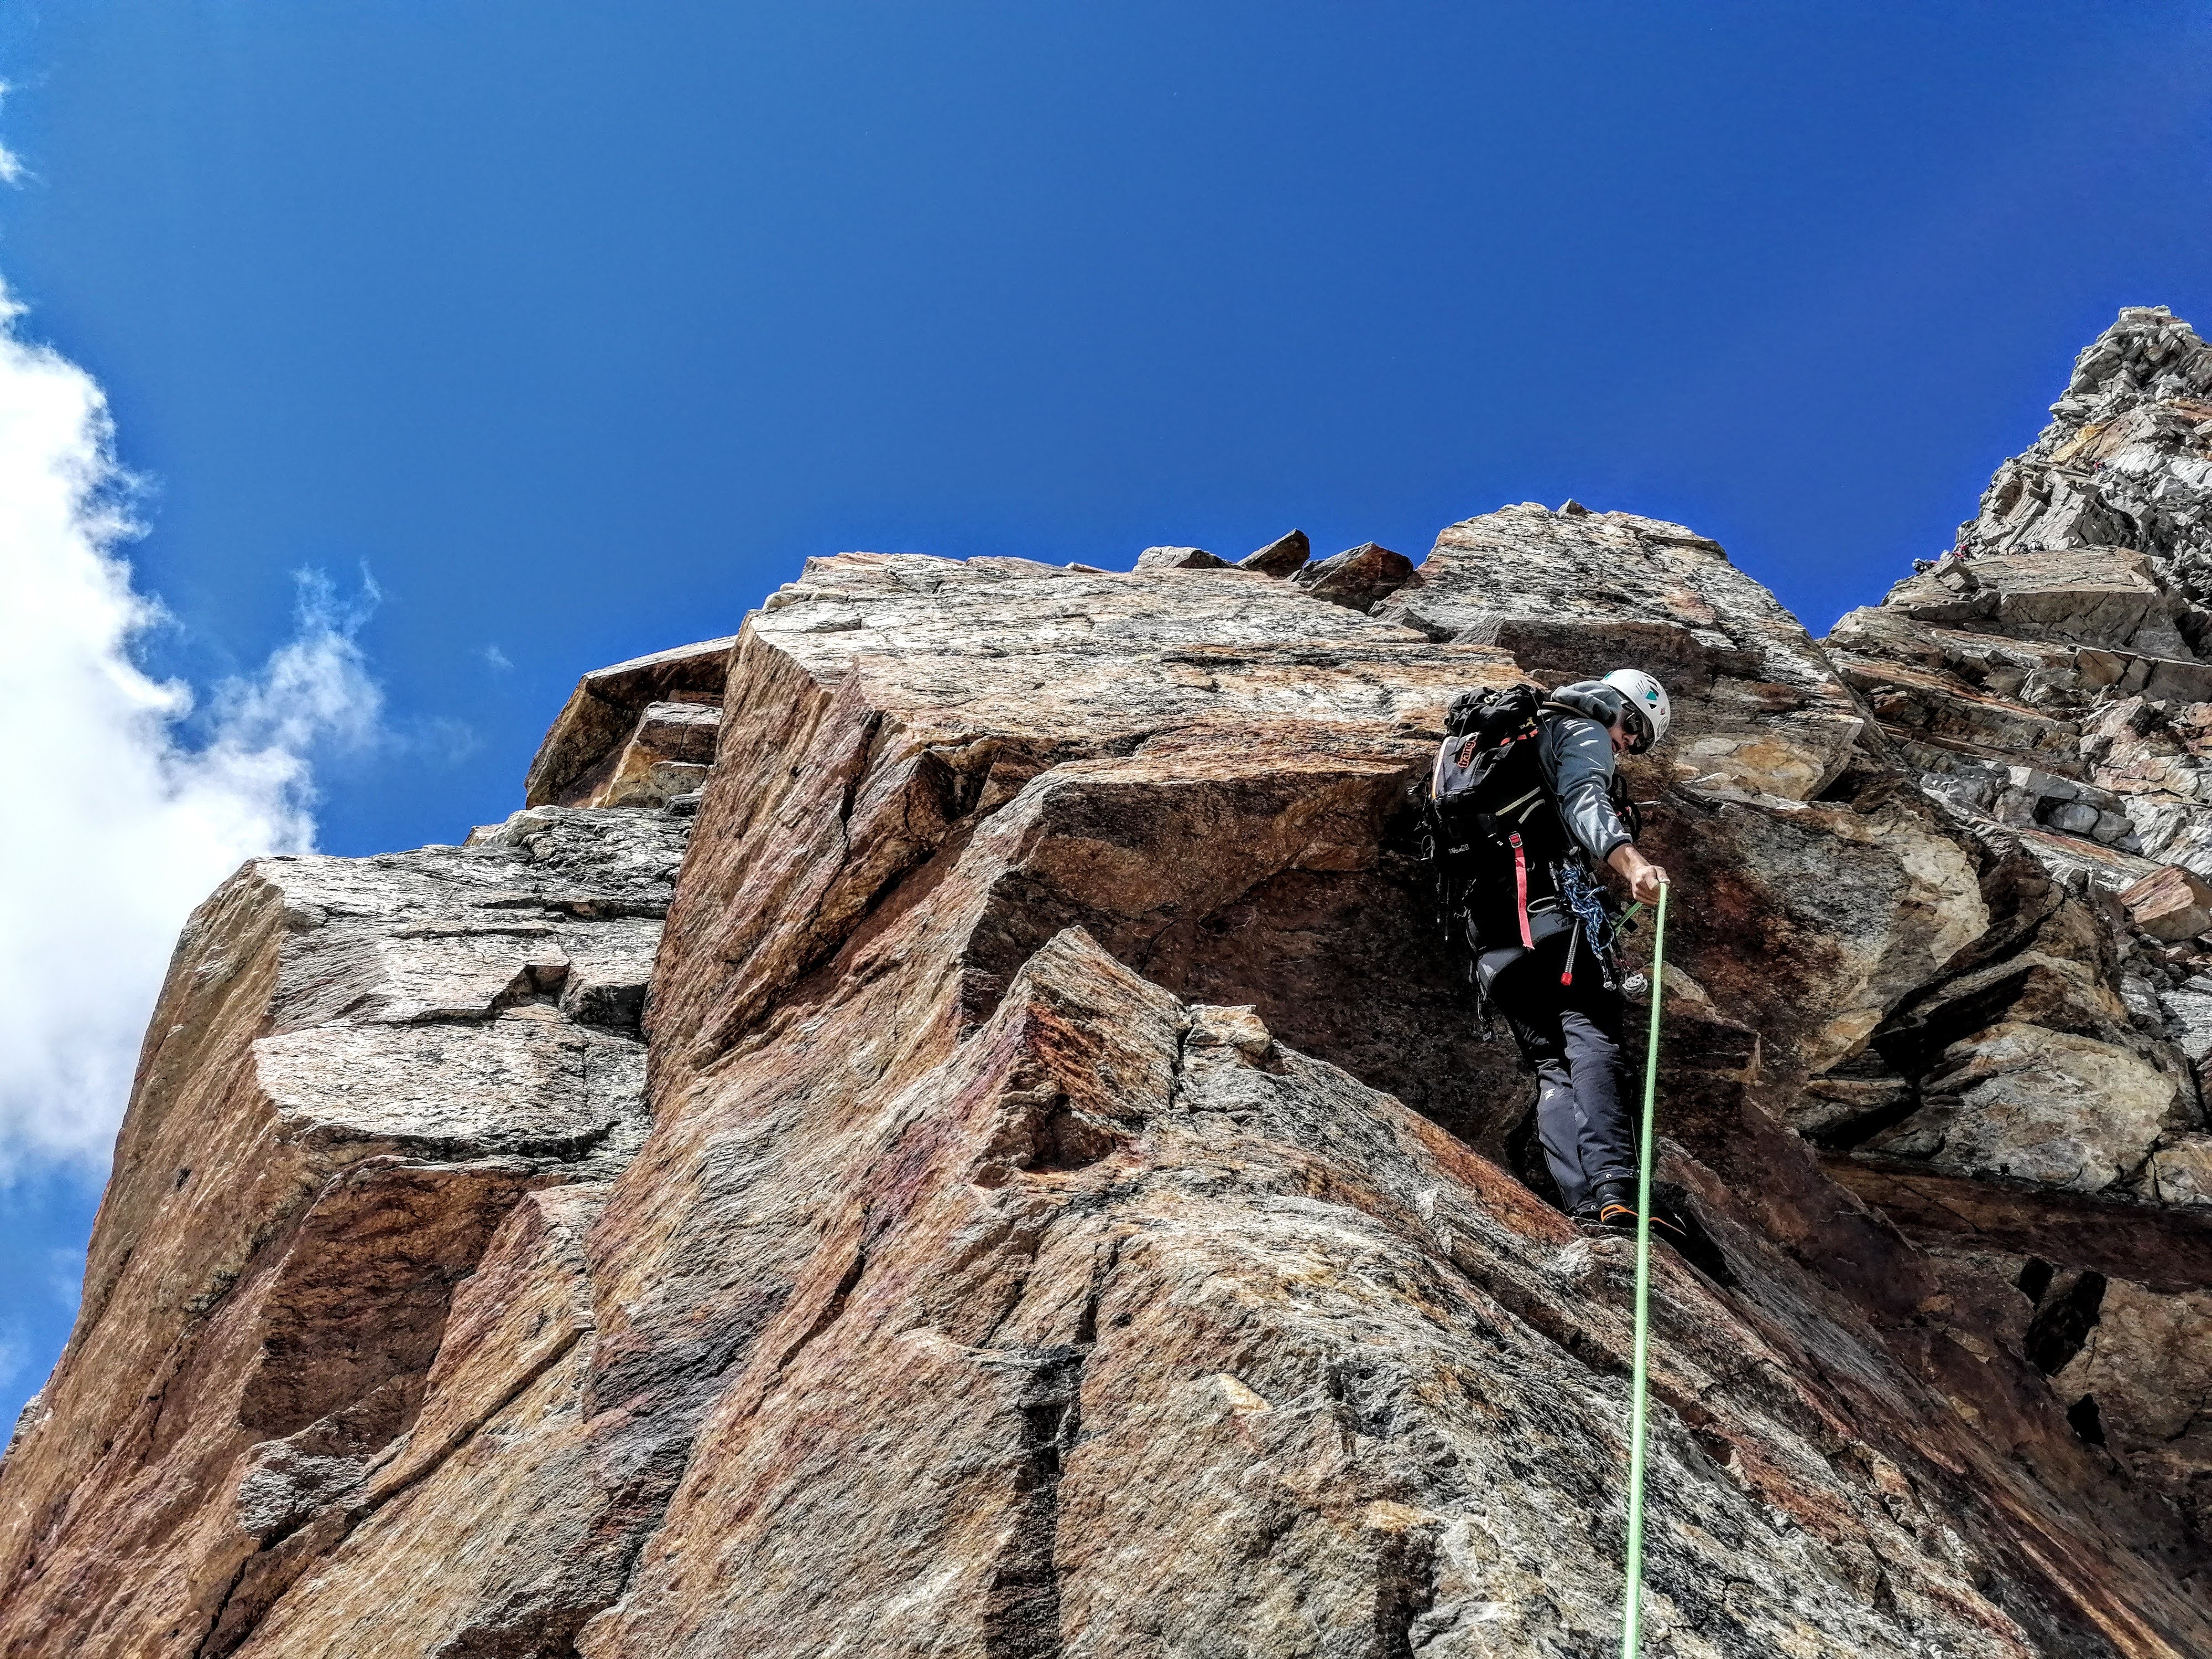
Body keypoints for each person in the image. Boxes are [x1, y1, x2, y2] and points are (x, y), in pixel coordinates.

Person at [1430, 669, 1678, 1236]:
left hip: (1489, 938)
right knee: (1592, 1037)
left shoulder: (1497, 741)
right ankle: (1619, 1189)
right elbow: (1584, 799)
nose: (1628, 744)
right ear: (1613, 707)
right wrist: (1632, 863)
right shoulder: (1579, 729)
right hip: (1548, 919)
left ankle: (1587, 1203)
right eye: (1634, 728)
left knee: (1551, 1065)